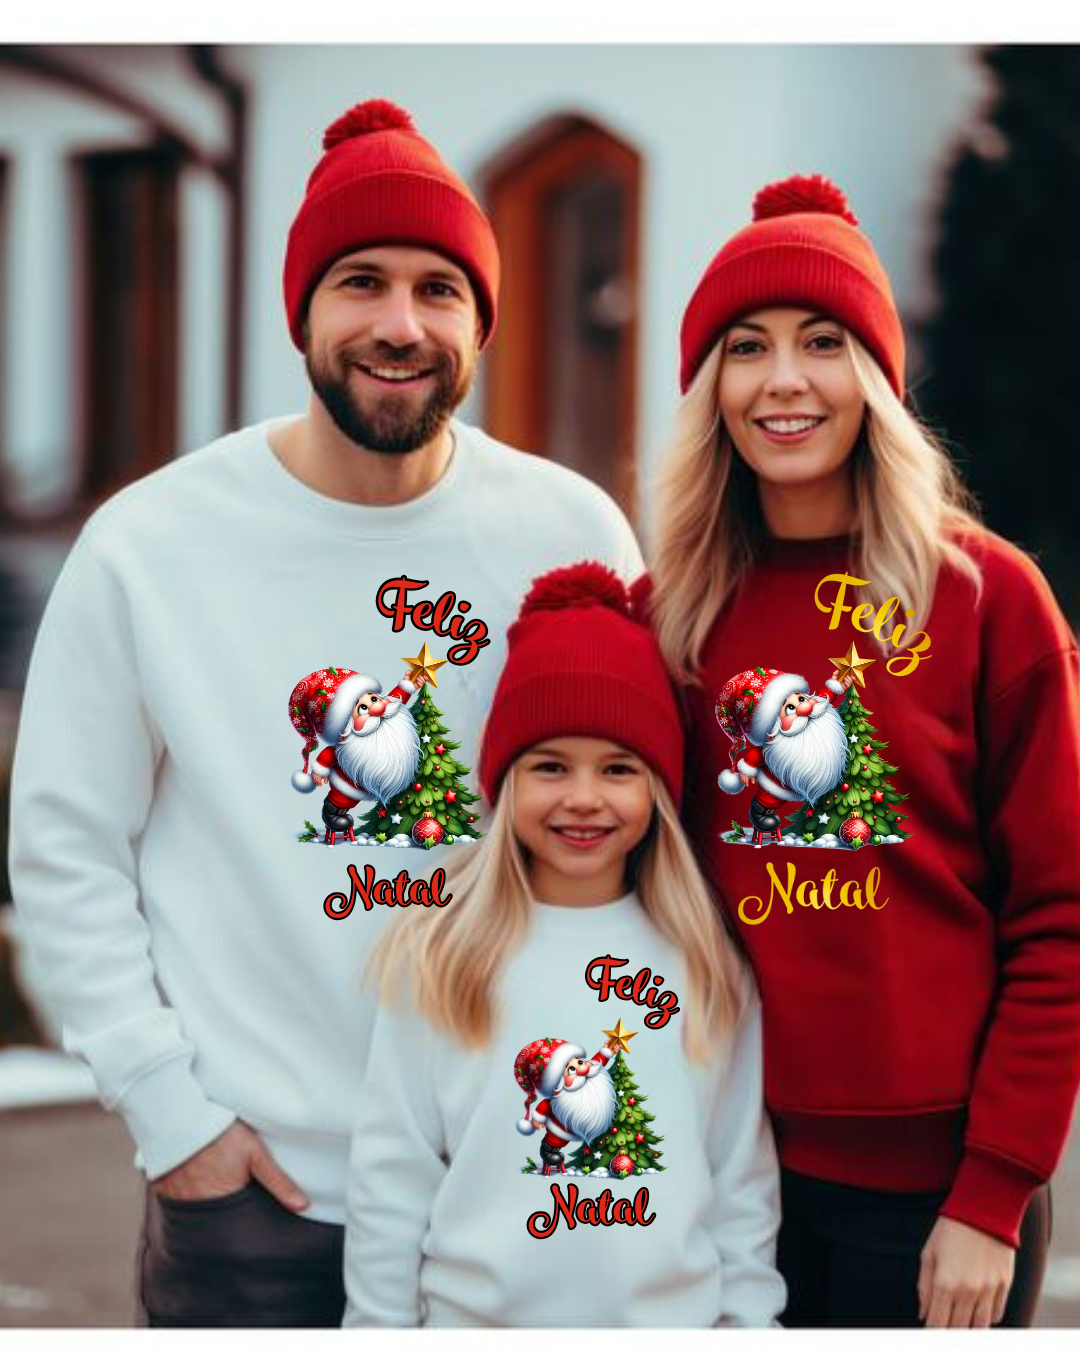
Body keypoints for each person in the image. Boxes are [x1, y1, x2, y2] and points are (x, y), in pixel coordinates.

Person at [8, 100, 643, 1328]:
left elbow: (629, 834)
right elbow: (67, 849)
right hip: (261, 1196)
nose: (400, 326)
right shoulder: (152, 545)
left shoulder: (569, 533)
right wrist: (173, 1119)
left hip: (510, 1179)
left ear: (481, 323)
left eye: (439, 291)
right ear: (302, 308)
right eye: (362, 282)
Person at [636, 172, 1080, 1329]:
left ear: (876, 380)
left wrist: (993, 1193)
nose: (784, 380)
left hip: (937, 1197)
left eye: (822, 342)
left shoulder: (988, 599)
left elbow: (1060, 914)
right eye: (747, 346)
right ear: (709, 387)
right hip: (723, 1170)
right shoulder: (671, 616)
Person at [342, 561, 786, 1328]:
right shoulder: (443, 953)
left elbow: (740, 1185)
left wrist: (749, 1328)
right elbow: (392, 1177)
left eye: (618, 769)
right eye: (550, 767)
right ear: (506, 783)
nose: (583, 797)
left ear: (659, 787)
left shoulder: (706, 961)